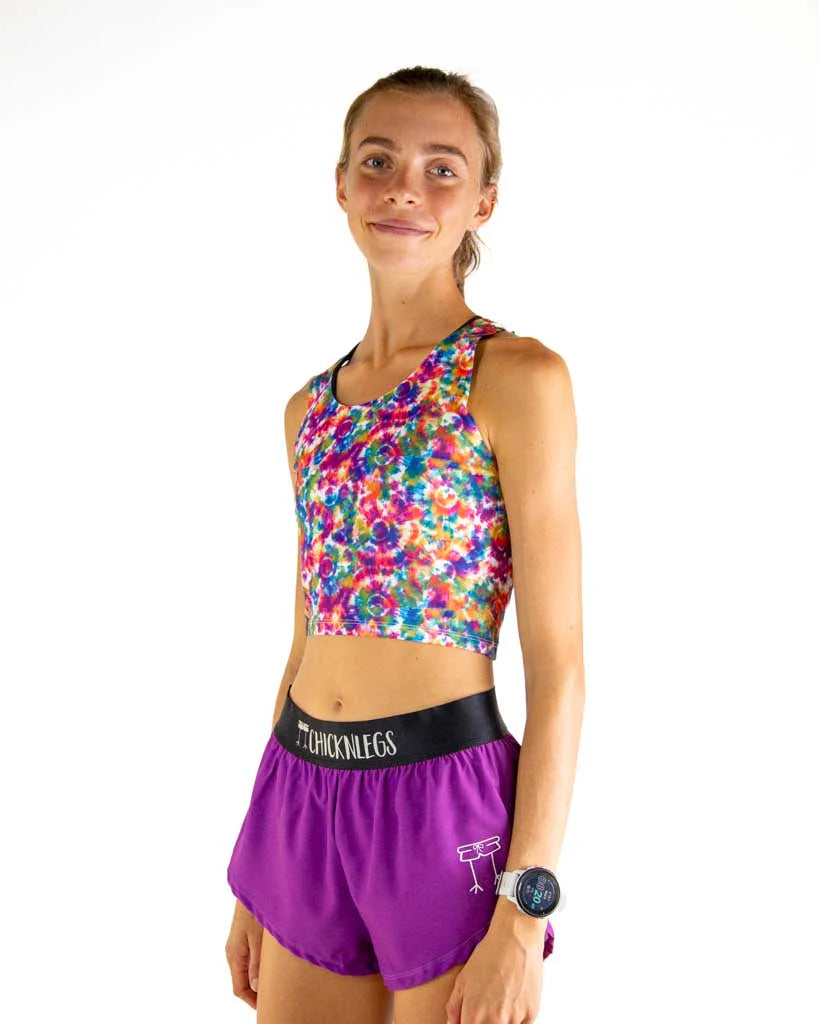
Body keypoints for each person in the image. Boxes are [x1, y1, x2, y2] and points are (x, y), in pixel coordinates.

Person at [224, 65, 585, 1024]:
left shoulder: (514, 378)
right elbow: (304, 641)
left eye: (441, 169)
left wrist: (524, 911)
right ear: (342, 184)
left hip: (441, 798)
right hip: (299, 795)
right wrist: (257, 866)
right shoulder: (308, 410)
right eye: (378, 162)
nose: (403, 190)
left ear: (482, 202)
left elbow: (559, 668)